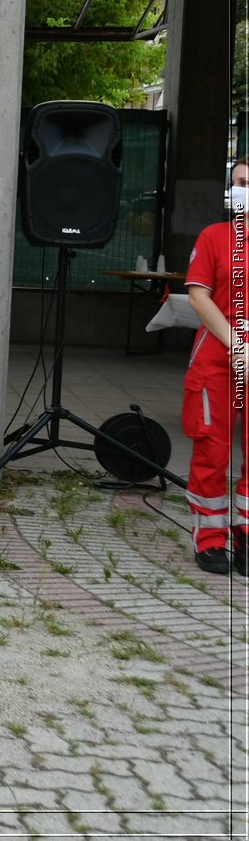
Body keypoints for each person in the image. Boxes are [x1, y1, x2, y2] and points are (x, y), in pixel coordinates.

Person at [183, 159, 249, 576]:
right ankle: (209, 539)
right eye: (241, 182)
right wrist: (236, 344)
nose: (246, 188)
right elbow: (197, 296)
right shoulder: (214, 237)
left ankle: (246, 535)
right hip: (217, 361)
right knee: (213, 450)